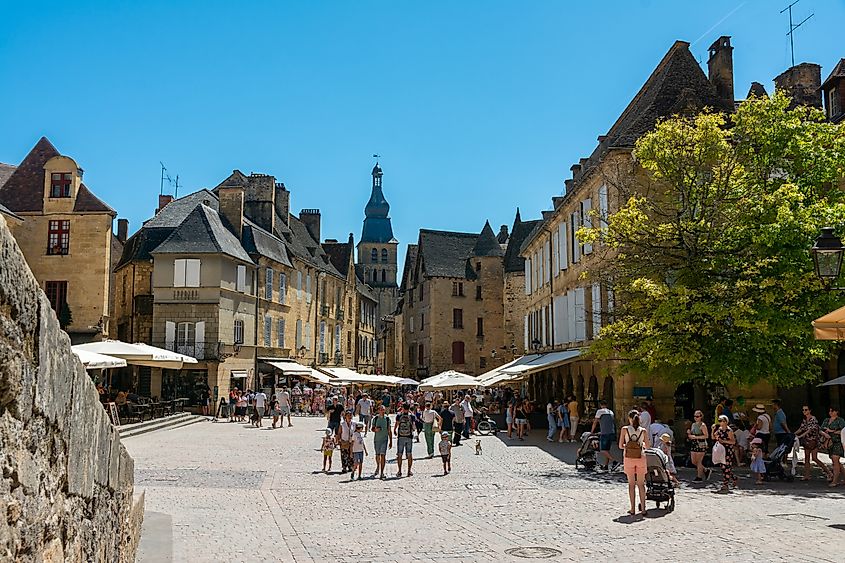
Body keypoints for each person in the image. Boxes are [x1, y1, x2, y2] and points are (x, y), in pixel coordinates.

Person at [619, 409, 649, 515]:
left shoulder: (625, 429)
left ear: (629, 418)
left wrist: (629, 446)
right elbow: (648, 446)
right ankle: (644, 509)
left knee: (631, 484)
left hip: (628, 458)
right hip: (641, 457)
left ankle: (632, 509)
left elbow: (620, 446)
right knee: (641, 484)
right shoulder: (643, 431)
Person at [795, 405, 832, 482]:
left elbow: (809, 430)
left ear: (810, 410)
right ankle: (807, 475)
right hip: (806, 441)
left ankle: (828, 472)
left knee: (815, 458)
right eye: (803, 410)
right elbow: (801, 428)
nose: (804, 411)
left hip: (814, 441)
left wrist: (800, 436)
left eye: (806, 410)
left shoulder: (813, 419)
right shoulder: (805, 420)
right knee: (807, 458)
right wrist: (793, 434)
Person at [591, 400, 620, 471]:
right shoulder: (611, 412)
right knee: (607, 450)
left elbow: (595, 422)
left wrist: (592, 431)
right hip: (611, 432)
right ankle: (606, 465)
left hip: (605, 433)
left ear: (601, 405)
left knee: (602, 450)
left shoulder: (600, 411)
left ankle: (614, 461)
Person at [821, 407, 845, 486]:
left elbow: (842, 431)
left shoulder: (840, 420)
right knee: (835, 461)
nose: (830, 412)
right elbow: (821, 429)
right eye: (829, 410)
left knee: (835, 460)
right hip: (829, 443)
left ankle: (835, 481)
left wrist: (831, 431)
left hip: (837, 442)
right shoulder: (826, 420)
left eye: (832, 411)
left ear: (836, 412)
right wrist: (825, 434)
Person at [714, 414, 738, 492]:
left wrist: (724, 441)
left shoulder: (729, 431)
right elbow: (713, 437)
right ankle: (733, 478)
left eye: (722, 420)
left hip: (728, 450)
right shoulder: (719, 430)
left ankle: (725, 484)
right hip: (721, 450)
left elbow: (733, 441)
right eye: (719, 420)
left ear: (726, 421)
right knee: (724, 467)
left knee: (727, 467)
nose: (720, 422)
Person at [687, 410, 711, 481]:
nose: (696, 418)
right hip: (694, 443)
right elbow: (691, 434)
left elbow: (706, 436)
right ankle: (706, 470)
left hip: (701, 444)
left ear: (701, 417)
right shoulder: (693, 425)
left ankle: (699, 476)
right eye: (695, 416)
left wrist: (696, 437)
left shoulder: (702, 425)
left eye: (697, 416)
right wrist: (689, 434)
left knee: (699, 461)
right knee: (693, 461)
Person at [370, 404, 392, 479]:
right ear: (378, 410)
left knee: (383, 455)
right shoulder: (375, 419)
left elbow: (389, 430)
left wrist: (391, 441)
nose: (382, 411)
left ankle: (382, 472)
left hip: (384, 440)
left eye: (383, 409)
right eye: (381, 409)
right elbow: (372, 429)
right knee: (377, 455)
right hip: (377, 440)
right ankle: (378, 466)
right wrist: (375, 429)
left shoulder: (387, 419)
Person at [395, 404, 416, 477]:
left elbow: (397, 424)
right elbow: (413, 427)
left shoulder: (399, 415)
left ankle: (399, 471)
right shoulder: (411, 416)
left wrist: (395, 430)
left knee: (400, 454)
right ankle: (409, 471)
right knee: (409, 454)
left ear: (403, 408)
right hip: (409, 437)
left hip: (401, 436)